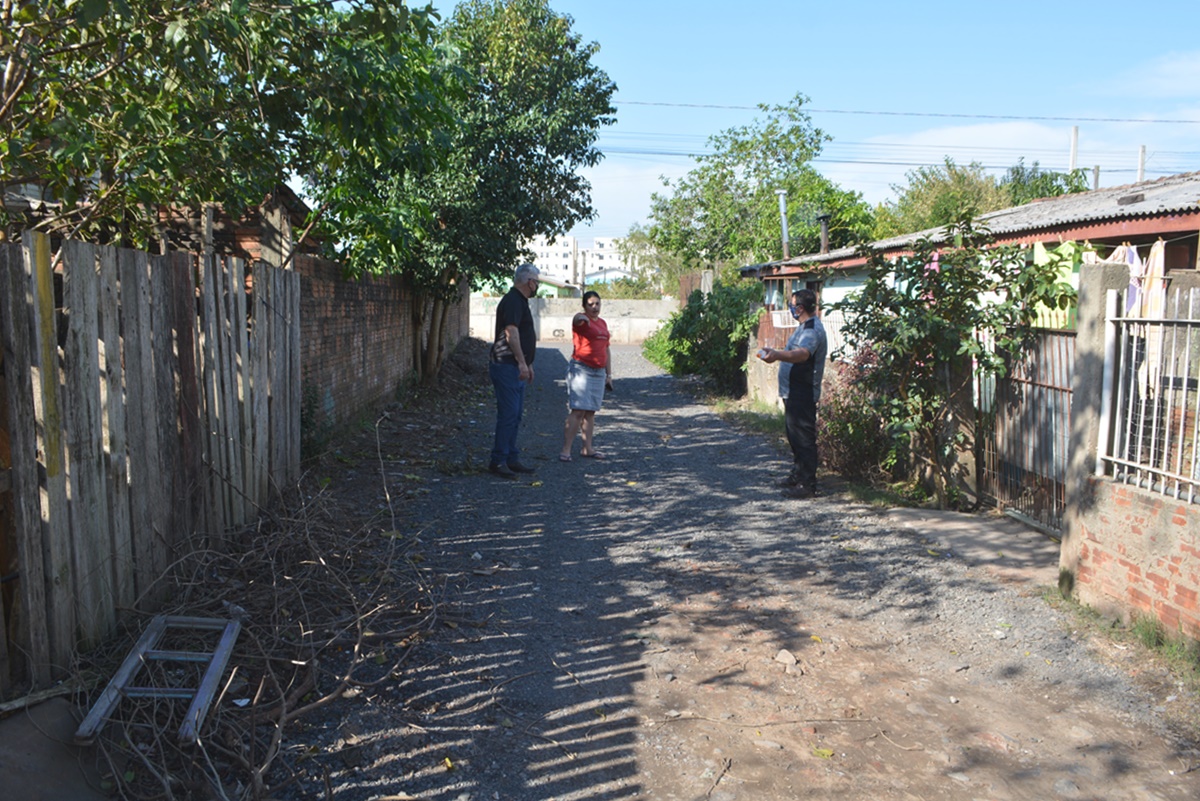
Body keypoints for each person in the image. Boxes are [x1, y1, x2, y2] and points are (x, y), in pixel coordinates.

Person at [761, 288, 827, 499]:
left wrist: (777, 355)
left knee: (804, 439)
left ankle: (808, 484)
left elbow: (803, 354)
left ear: (800, 308)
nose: (790, 308)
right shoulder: (803, 327)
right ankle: (798, 475)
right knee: (794, 436)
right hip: (793, 391)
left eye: (791, 305)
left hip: (803, 392)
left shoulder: (812, 330)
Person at [488, 263, 541, 478]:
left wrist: (528, 363)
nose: (537, 285)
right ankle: (498, 461)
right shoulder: (512, 301)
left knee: (516, 415)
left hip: (515, 365)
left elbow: (524, 336)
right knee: (509, 414)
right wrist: (521, 362)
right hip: (506, 365)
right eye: (537, 281)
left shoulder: (520, 301)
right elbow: (511, 333)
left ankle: (511, 457)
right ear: (530, 282)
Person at [559, 291, 613, 462]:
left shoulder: (602, 323)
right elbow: (576, 320)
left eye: (597, 303)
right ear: (584, 306)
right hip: (581, 369)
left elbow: (606, 349)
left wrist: (609, 374)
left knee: (590, 411)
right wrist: (580, 316)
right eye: (590, 304)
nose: (594, 307)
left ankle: (587, 448)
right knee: (578, 410)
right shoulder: (582, 321)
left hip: (599, 372)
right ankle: (566, 450)